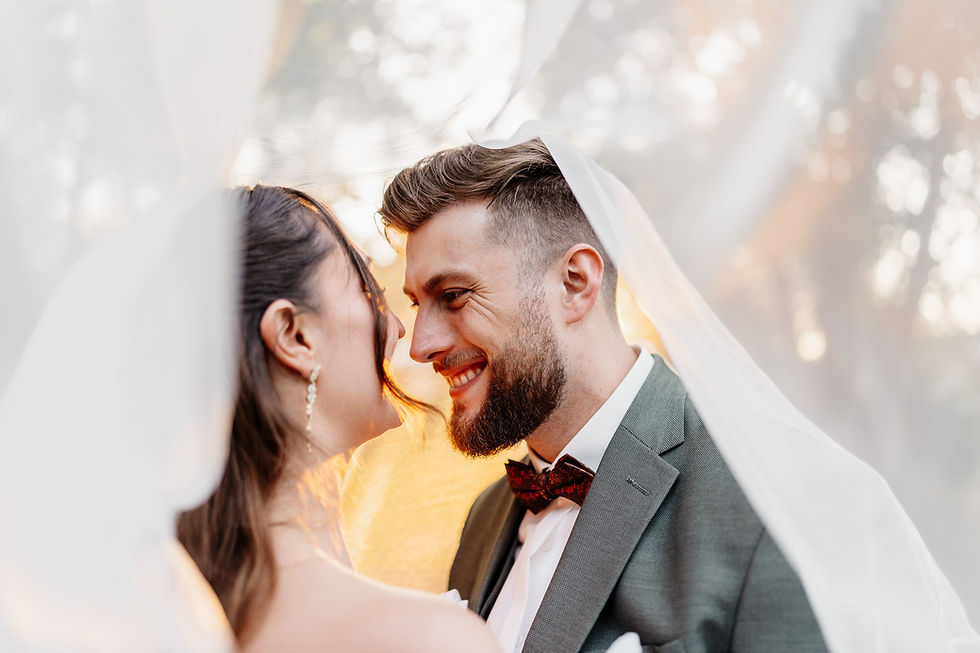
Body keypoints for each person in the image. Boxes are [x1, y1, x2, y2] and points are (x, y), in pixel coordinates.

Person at [379, 139, 830, 653]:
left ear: (575, 283)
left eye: (453, 297)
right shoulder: (486, 518)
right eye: (417, 305)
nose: (421, 346)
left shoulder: (762, 496)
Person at [176, 185, 500, 653]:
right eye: (370, 291)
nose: (402, 330)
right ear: (295, 335)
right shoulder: (426, 640)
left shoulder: (167, 600)